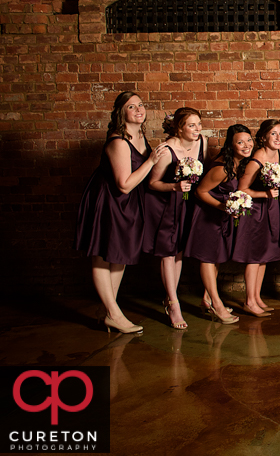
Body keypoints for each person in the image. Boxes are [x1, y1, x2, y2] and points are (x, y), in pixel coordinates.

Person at [75, 91, 168, 334]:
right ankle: (114, 314)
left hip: (128, 203)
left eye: (141, 105)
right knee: (102, 255)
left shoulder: (140, 134)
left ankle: (109, 311)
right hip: (109, 201)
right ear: (121, 113)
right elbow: (124, 184)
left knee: (120, 255)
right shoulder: (118, 141)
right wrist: (150, 161)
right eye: (131, 107)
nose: (139, 109)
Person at [184, 124, 253, 324]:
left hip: (219, 217)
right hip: (207, 217)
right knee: (208, 259)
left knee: (216, 259)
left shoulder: (238, 163)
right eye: (240, 142)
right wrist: (224, 207)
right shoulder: (222, 168)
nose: (246, 145)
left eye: (248, 140)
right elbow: (200, 192)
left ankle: (207, 299)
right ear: (231, 146)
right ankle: (217, 304)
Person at [144, 107, 206, 329]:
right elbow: (152, 183)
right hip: (167, 204)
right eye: (191, 125)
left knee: (179, 252)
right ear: (179, 128)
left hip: (189, 204)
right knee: (168, 253)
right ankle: (173, 303)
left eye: (199, 124)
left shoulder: (202, 143)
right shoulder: (166, 150)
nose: (197, 129)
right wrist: (175, 186)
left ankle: (172, 296)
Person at [233, 119, 280, 316]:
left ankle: (257, 297)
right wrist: (264, 195)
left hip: (271, 208)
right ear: (263, 137)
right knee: (254, 256)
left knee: (264, 256)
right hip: (256, 211)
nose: (278, 137)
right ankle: (249, 300)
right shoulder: (258, 158)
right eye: (273, 134)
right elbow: (242, 189)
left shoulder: (278, 154)